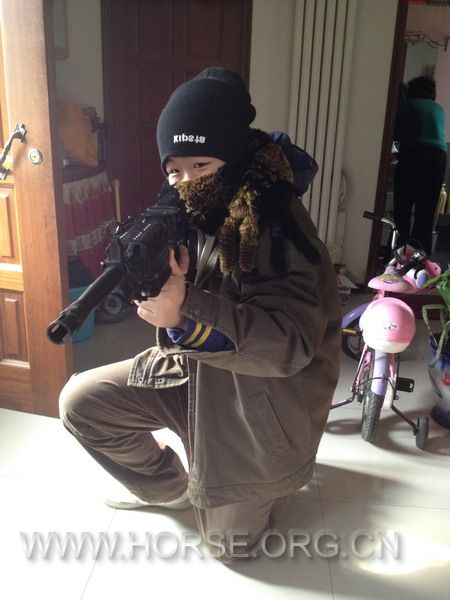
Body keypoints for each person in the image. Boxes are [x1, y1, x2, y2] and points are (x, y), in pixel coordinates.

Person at [59, 67, 341, 562]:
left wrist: (184, 311)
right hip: (198, 373)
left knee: (228, 549)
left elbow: (290, 345)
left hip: (261, 405)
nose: (186, 181)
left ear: (234, 156)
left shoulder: (275, 225)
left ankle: (275, 481)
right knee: (80, 402)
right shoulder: (198, 209)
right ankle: (170, 486)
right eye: (174, 170)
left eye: (201, 164)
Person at [393, 75, 447, 254]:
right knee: (426, 210)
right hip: (438, 157)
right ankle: (420, 255)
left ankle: (399, 249)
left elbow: (396, 134)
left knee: (403, 206)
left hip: (414, 155)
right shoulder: (438, 109)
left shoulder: (407, 106)